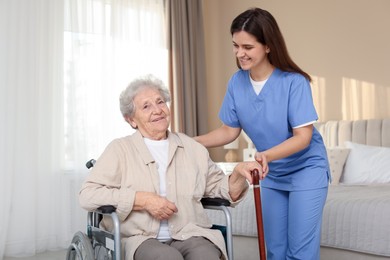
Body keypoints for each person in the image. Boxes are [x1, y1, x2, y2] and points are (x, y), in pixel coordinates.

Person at [194, 8, 329, 260]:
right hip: (271, 173)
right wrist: (191, 142)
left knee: (300, 252)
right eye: (235, 45)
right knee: (274, 251)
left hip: (306, 170)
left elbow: (303, 137)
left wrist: (264, 155)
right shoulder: (237, 82)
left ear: (267, 46)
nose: (239, 53)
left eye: (248, 47)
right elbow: (229, 130)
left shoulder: (294, 82)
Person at [79, 74, 261, 260]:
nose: (157, 110)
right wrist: (141, 199)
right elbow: (87, 195)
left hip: (189, 233)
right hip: (139, 237)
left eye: (160, 102)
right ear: (131, 120)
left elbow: (222, 190)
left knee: (207, 256)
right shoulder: (120, 149)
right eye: (146, 106)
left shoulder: (192, 148)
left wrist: (238, 173)